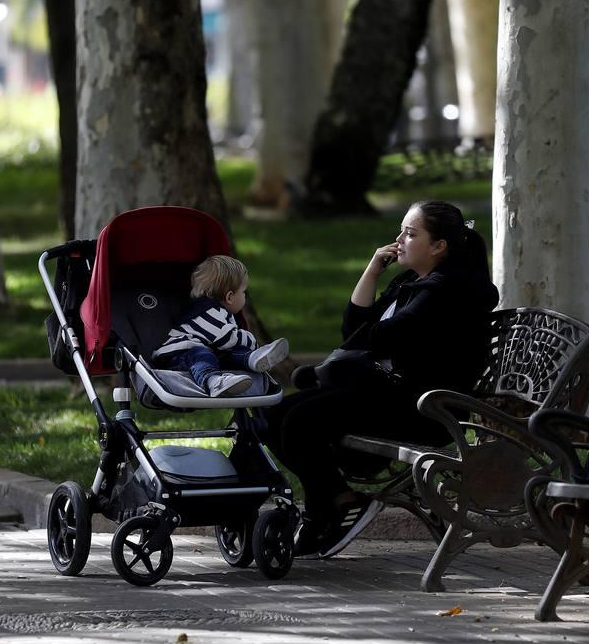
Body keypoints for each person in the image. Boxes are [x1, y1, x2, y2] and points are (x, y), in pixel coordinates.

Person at [264, 201, 499, 559]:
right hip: (389, 393)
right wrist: (373, 271)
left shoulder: (449, 289)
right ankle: (336, 501)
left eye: (410, 233)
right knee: (273, 416)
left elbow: (382, 337)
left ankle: (331, 507)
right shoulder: (412, 281)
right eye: (401, 231)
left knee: (298, 421)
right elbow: (355, 329)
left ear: (439, 246)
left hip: (423, 407)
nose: (399, 240)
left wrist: (368, 336)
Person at [153, 256, 290, 397]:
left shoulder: (219, 312)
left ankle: (251, 359)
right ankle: (214, 382)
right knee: (202, 355)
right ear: (230, 297)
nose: (244, 297)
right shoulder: (207, 310)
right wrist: (251, 340)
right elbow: (228, 338)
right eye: (243, 292)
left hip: (205, 352)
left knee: (224, 354)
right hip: (178, 356)